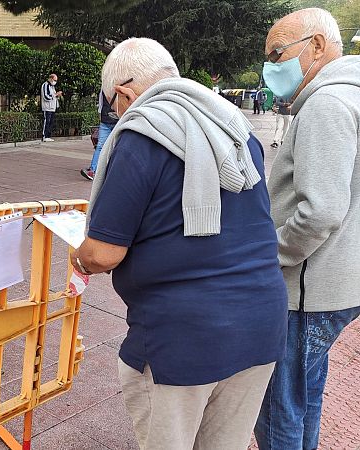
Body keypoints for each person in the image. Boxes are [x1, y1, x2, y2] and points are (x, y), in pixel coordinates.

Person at [71, 37, 287, 449]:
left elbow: (103, 253)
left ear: (124, 93)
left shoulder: (142, 134)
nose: (115, 113)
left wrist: (78, 256)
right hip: (261, 321)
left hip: (184, 337)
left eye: (111, 104)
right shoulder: (235, 126)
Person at [256, 8, 360, 450]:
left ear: (316, 46)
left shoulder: (327, 103)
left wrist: (272, 254)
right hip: (344, 284)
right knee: (304, 393)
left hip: (307, 289)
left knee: (279, 409)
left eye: (277, 53)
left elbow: (320, 212)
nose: (271, 66)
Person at [81, 87, 124, 180]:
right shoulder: (123, 87)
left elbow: (100, 104)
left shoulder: (104, 87)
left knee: (100, 146)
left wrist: (101, 117)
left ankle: (93, 170)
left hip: (106, 120)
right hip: (118, 120)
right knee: (118, 146)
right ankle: (116, 172)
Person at [41, 73, 62, 142]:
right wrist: (55, 95)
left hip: (52, 108)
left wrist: (56, 95)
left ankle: (48, 136)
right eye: (54, 80)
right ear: (51, 78)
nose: (55, 82)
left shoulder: (52, 87)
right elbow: (46, 96)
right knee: (47, 121)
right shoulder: (45, 85)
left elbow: (53, 96)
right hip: (47, 107)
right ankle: (44, 136)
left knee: (51, 122)